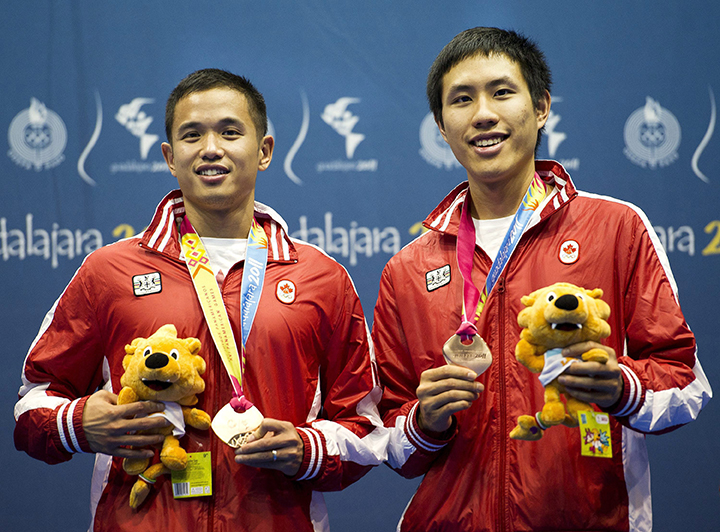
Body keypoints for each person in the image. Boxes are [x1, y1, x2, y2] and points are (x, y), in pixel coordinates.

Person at [14, 68, 387, 532]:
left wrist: (306, 450)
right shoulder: (108, 271)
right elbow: (35, 399)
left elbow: (367, 423)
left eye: (230, 132)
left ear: (264, 151)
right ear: (171, 157)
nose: (211, 148)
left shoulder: (320, 278)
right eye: (192, 135)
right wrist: (76, 423)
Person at [373, 27, 712, 532]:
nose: (483, 113)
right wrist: (425, 422)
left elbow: (685, 384)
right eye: (461, 100)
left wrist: (623, 387)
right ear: (442, 128)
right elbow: (388, 440)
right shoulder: (409, 267)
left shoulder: (614, 228)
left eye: (502, 92)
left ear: (541, 108)